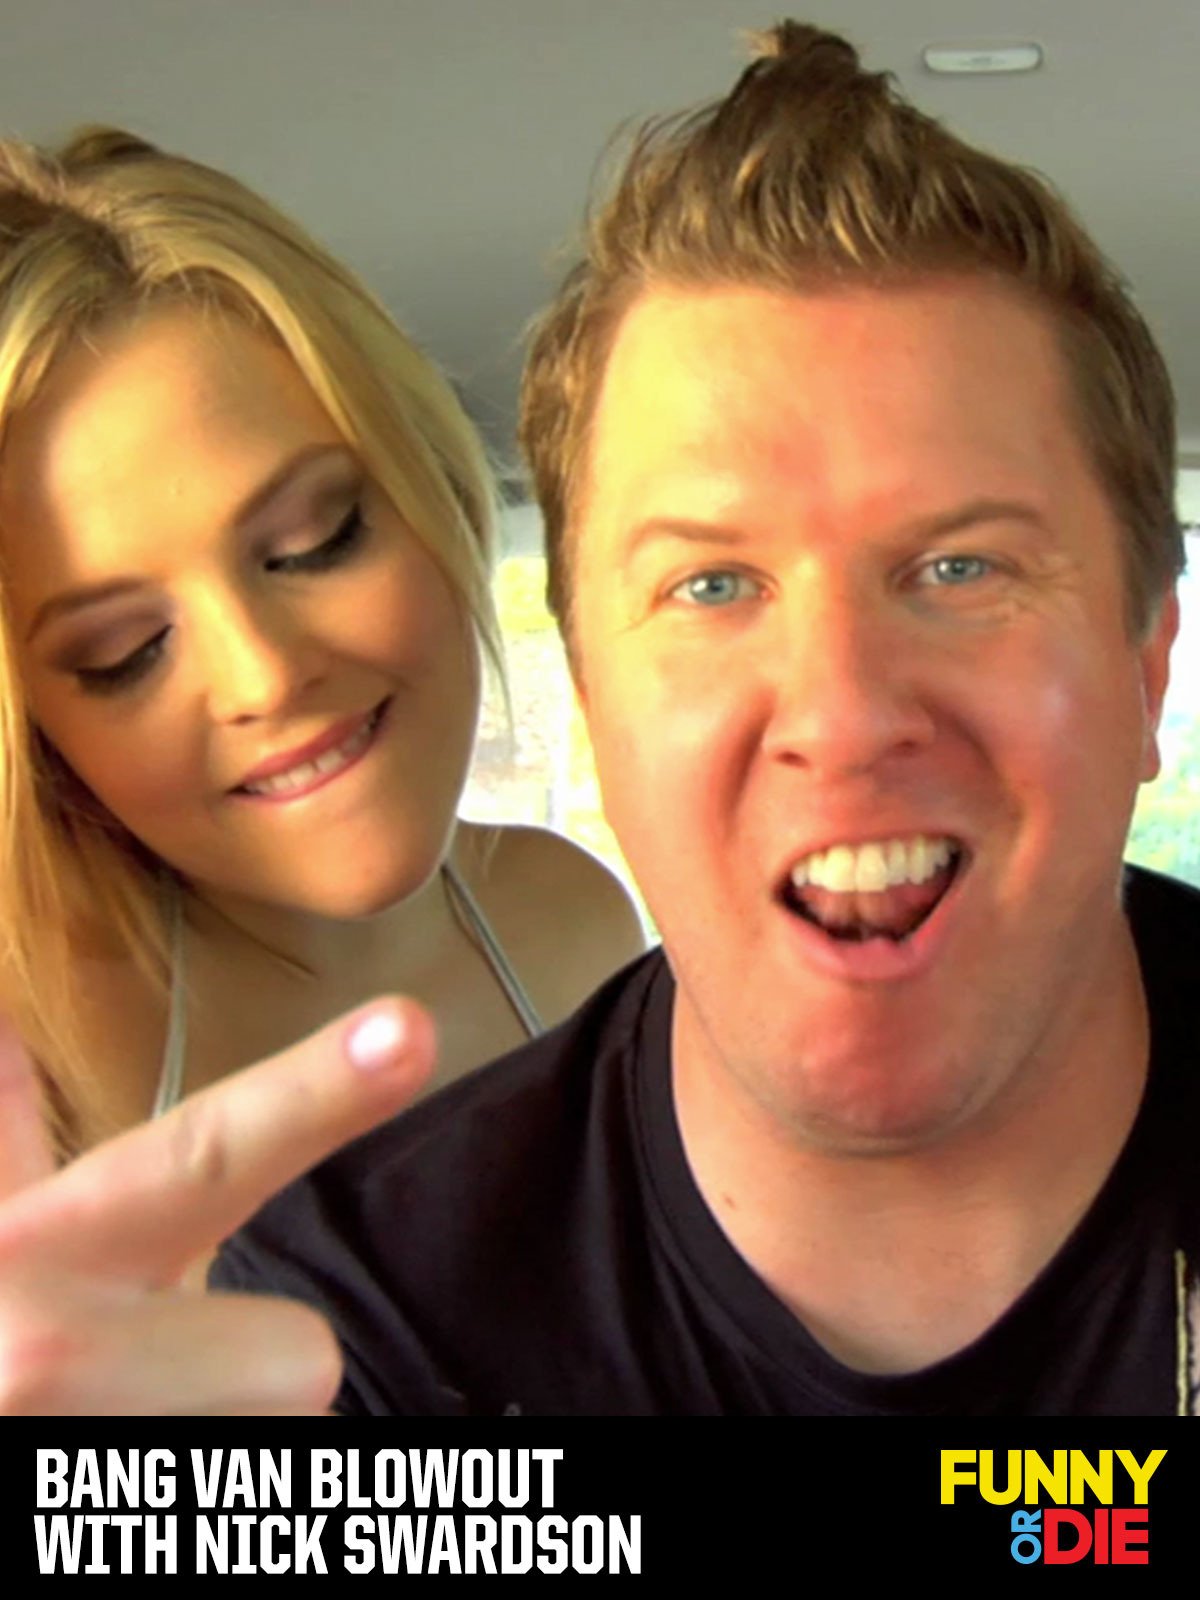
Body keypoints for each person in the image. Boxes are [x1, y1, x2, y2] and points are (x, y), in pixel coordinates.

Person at [1, 18, 1195, 1416]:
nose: (842, 714)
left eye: (960, 568)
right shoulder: (362, 1302)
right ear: (589, 694)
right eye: (711, 584)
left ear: (1148, 662)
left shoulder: (550, 913)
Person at [0, 126, 644, 1164]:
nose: (264, 675)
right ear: (37, 730)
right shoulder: (30, 1067)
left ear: (431, 479)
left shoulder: (576, 918)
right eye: (125, 651)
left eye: (316, 541)